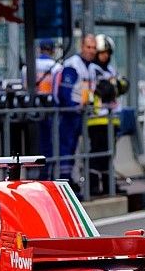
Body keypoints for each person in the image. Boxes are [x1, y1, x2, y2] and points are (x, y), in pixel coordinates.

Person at [87, 34, 129, 194]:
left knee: (109, 154)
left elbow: (123, 85)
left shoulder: (110, 69)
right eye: (103, 52)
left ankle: (108, 185)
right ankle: (93, 186)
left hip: (112, 119)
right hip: (97, 119)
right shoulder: (93, 69)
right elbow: (106, 90)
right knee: (97, 153)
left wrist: (114, 86)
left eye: (108, 53)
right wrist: (114, 86)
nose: (106, 56)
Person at [55, 33, 96, 188]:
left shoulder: (91, 67)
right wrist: (73, 107)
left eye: (94, 48)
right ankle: (64, 181)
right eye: (88, 47)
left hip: (82, 113)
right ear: (82, 47)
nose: (91, 51)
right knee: (66, 147)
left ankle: (70, 179)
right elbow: (64, 92)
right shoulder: (73, 64)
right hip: (69, 114)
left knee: (75, 149)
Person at [21, 39, 61, 172]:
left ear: (39, 48)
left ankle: (31, 171)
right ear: (52, 50)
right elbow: (56, 92)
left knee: (31, 143)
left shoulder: (28, 66)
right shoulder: (56, 67)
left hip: (30, 109)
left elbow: (24, 88)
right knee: (48, 144)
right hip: (49, 111)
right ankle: (45, 173)